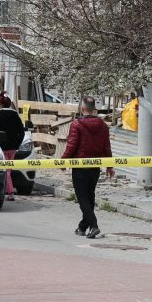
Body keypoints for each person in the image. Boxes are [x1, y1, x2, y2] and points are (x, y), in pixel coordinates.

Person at [62, 96, 115, 239]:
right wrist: (109, 166)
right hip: (95, 166)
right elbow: (106, 147)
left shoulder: (76, 124)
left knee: (82, 197)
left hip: (80, 166)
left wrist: (63, 161)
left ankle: (94, 226)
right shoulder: (103, 125)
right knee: (89, 196)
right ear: (93, 109)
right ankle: (82, 227)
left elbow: (71, 145)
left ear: (82, 108)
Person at [0, 93, 26, 201]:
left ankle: (10, 192)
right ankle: (8, 190)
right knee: (8, 170)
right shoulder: (15, 116)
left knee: (6, 171)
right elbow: (22, 132)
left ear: (0, 104)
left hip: (2, 148)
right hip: (13, 148)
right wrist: (17, 144)